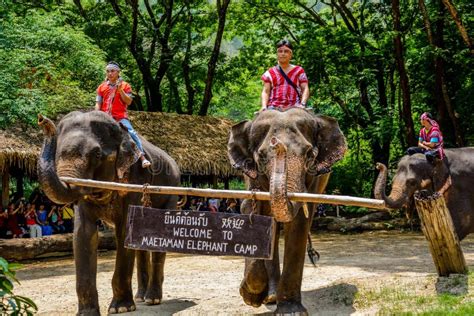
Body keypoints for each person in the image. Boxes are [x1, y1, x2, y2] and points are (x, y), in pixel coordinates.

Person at [95, 61, 151, 168]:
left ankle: (142, 157)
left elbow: (128, 102)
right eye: (108, 71)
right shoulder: (101, 87)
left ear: (118, 72)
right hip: (104, 117)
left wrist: (120, 90)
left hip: (120, 118)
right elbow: (98, 103)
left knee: (132, 133)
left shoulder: (125, 86)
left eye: (112, 71)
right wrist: (96, 115)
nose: (110, 73)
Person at [261, 39, 310, 111]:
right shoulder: (269, 72)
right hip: (273, 107)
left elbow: (305, 88)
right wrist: (264, 107)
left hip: (295, 106)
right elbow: (266, 91)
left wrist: (302, 104)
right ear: (277, 54)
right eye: (280, 51)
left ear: (291, 54)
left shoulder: (299, 70)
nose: (283, 54)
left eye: (286, 51)